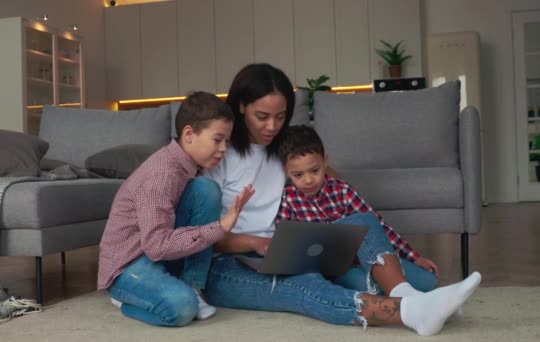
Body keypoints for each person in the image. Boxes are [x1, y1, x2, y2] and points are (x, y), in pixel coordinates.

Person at [205, 63, 481, 336]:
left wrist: (336, 234)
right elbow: (202, 235)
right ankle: (412, 312)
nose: (272, 126)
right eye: (262, 116)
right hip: (231, 263)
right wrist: (257, 242)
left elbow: (331, 183)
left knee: (424, 280)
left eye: (280, 116)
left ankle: (408, 295)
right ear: (241, 106)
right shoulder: (219, 155)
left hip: (292, 253)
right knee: (306, 286)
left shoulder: (285, 149)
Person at [97, 91, 255, 327]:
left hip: (156, 253)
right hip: (128, 263)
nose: (223, 148)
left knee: (206, 189)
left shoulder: (191, 167)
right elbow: (157, 246)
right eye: (217, 139)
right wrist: (220, 227)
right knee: (181, 308)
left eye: (227, 141)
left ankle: (193, 286)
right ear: (189, 134)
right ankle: (128, 299)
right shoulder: (162, 175)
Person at [277, 124, 437, 296]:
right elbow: (287, 247)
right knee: (366, 286)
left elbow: (380, 228)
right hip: (335, 272)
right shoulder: (288, 199)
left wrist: (414, 257)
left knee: (428, 281)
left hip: (365, 258)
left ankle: (396, 289)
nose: (308, 180)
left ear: (325, 160)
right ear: (286, 171)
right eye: (298, 175)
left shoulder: (343, 190)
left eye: (315, 170)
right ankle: (398, 291)